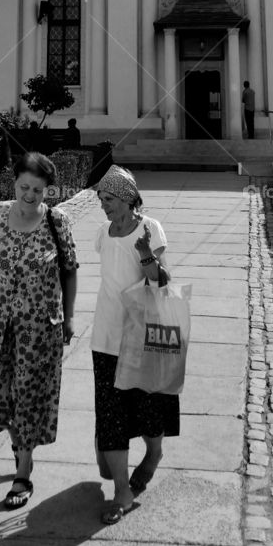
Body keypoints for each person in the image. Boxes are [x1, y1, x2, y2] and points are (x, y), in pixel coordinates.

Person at [0, 152, 78, 509]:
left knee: (29, 396)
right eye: (24, 187)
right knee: (0, 396)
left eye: (38, 190)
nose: (30, 195)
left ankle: (23, 471)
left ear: (48, 190)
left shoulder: (57, 222)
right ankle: (19, 447)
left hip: (39, 328)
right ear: (14, 183)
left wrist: (70, 316)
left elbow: (70, 270)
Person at [91, 164, 179, 525]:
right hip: (105, 335)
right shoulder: (102, 233)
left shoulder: (150, 228)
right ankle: (122, 492)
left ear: (128, 199)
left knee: (147, 407)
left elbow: (162, 282)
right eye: (100, 199)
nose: (104, 206)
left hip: (142, 335)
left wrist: (146, 254)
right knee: (110, 416)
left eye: (109, 199)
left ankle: (153, 454)